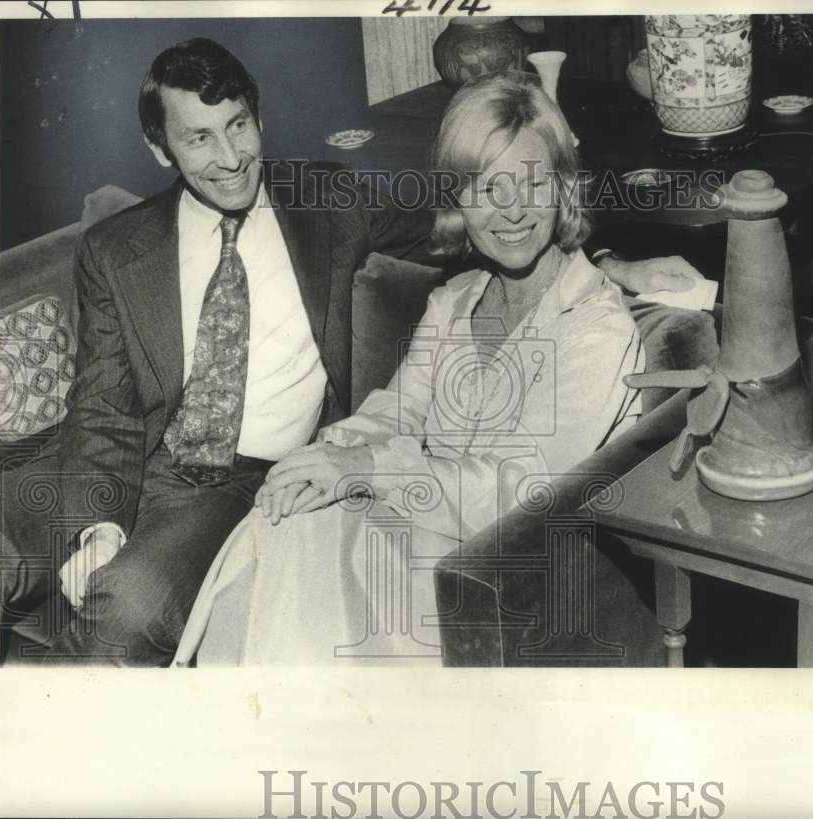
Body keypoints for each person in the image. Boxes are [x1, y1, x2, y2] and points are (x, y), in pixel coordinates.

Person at [0, 39, 699, 667]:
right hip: (126, 463)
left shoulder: (324, 199)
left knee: (144, 610)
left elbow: (487, 216)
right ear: (163, 150)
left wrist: (610, 261)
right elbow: (103, 412)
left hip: (249, 489)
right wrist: (98, 522)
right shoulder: (118, 246)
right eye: (200, 138)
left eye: (238, 125)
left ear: (259, 118)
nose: (230, 155)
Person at [173, 70, 656, 666]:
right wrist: (320, 460)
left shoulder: (594, 324)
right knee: (286, 523)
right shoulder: (455, 302)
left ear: (562, 188)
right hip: (424, 532)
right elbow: (396, 410)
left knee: (300, 561)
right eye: (483, 187)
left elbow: (523, 489)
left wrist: (366, 467)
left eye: (531, 184)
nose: (509, 211)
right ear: (458, 200)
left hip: (512, 572)